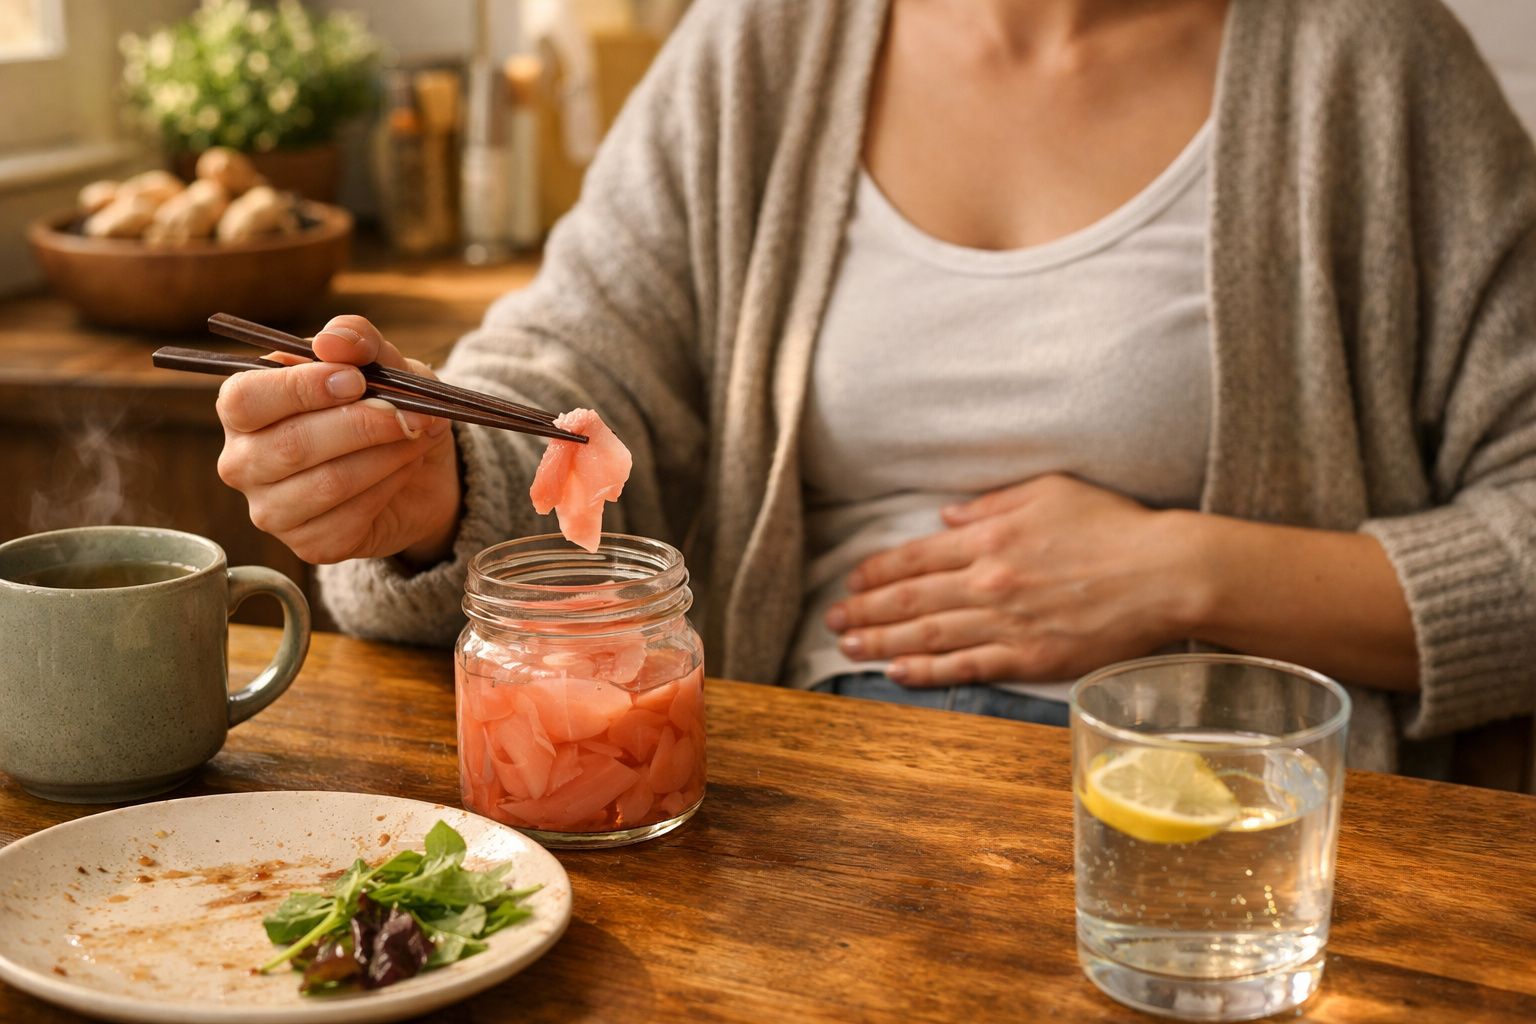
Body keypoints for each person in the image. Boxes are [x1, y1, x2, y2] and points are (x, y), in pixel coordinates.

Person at [212, 0, 1536, 773]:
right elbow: (573, 372)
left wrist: (1188, 575)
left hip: (1204, 822)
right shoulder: (764, 44)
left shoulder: (1370, 61)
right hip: (801, 785)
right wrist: (437, 484)